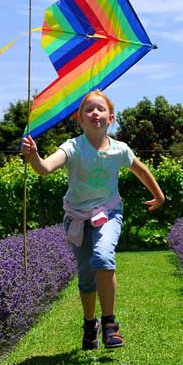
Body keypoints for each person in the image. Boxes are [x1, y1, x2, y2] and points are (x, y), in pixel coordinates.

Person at [21, 90, 165, 350]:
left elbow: (141, 170)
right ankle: (90, 325)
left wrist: (159, 196)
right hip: (76, 218)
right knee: (86, 277)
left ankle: (110, 325)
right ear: (80, 119)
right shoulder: (72, 147)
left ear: (111, 118)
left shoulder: (120, 150)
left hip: (108, 213)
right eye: (89, 110)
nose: (95, 113)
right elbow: (44, 168)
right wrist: (33, 157)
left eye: (100, 109)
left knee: (102, 256)